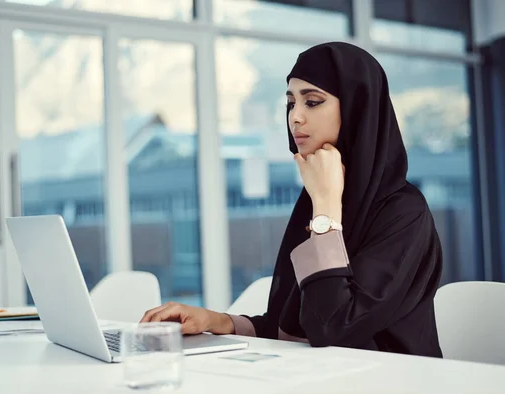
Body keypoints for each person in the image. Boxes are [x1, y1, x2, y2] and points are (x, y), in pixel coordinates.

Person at [140, 42, 443, 357]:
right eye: (290, 103)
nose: (295, 117)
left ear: (357, 107)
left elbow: (335, 329)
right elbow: (301, 325)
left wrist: (325, 208)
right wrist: (217, 320)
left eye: (312, 102)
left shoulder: (404, 212)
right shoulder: (315, 198)